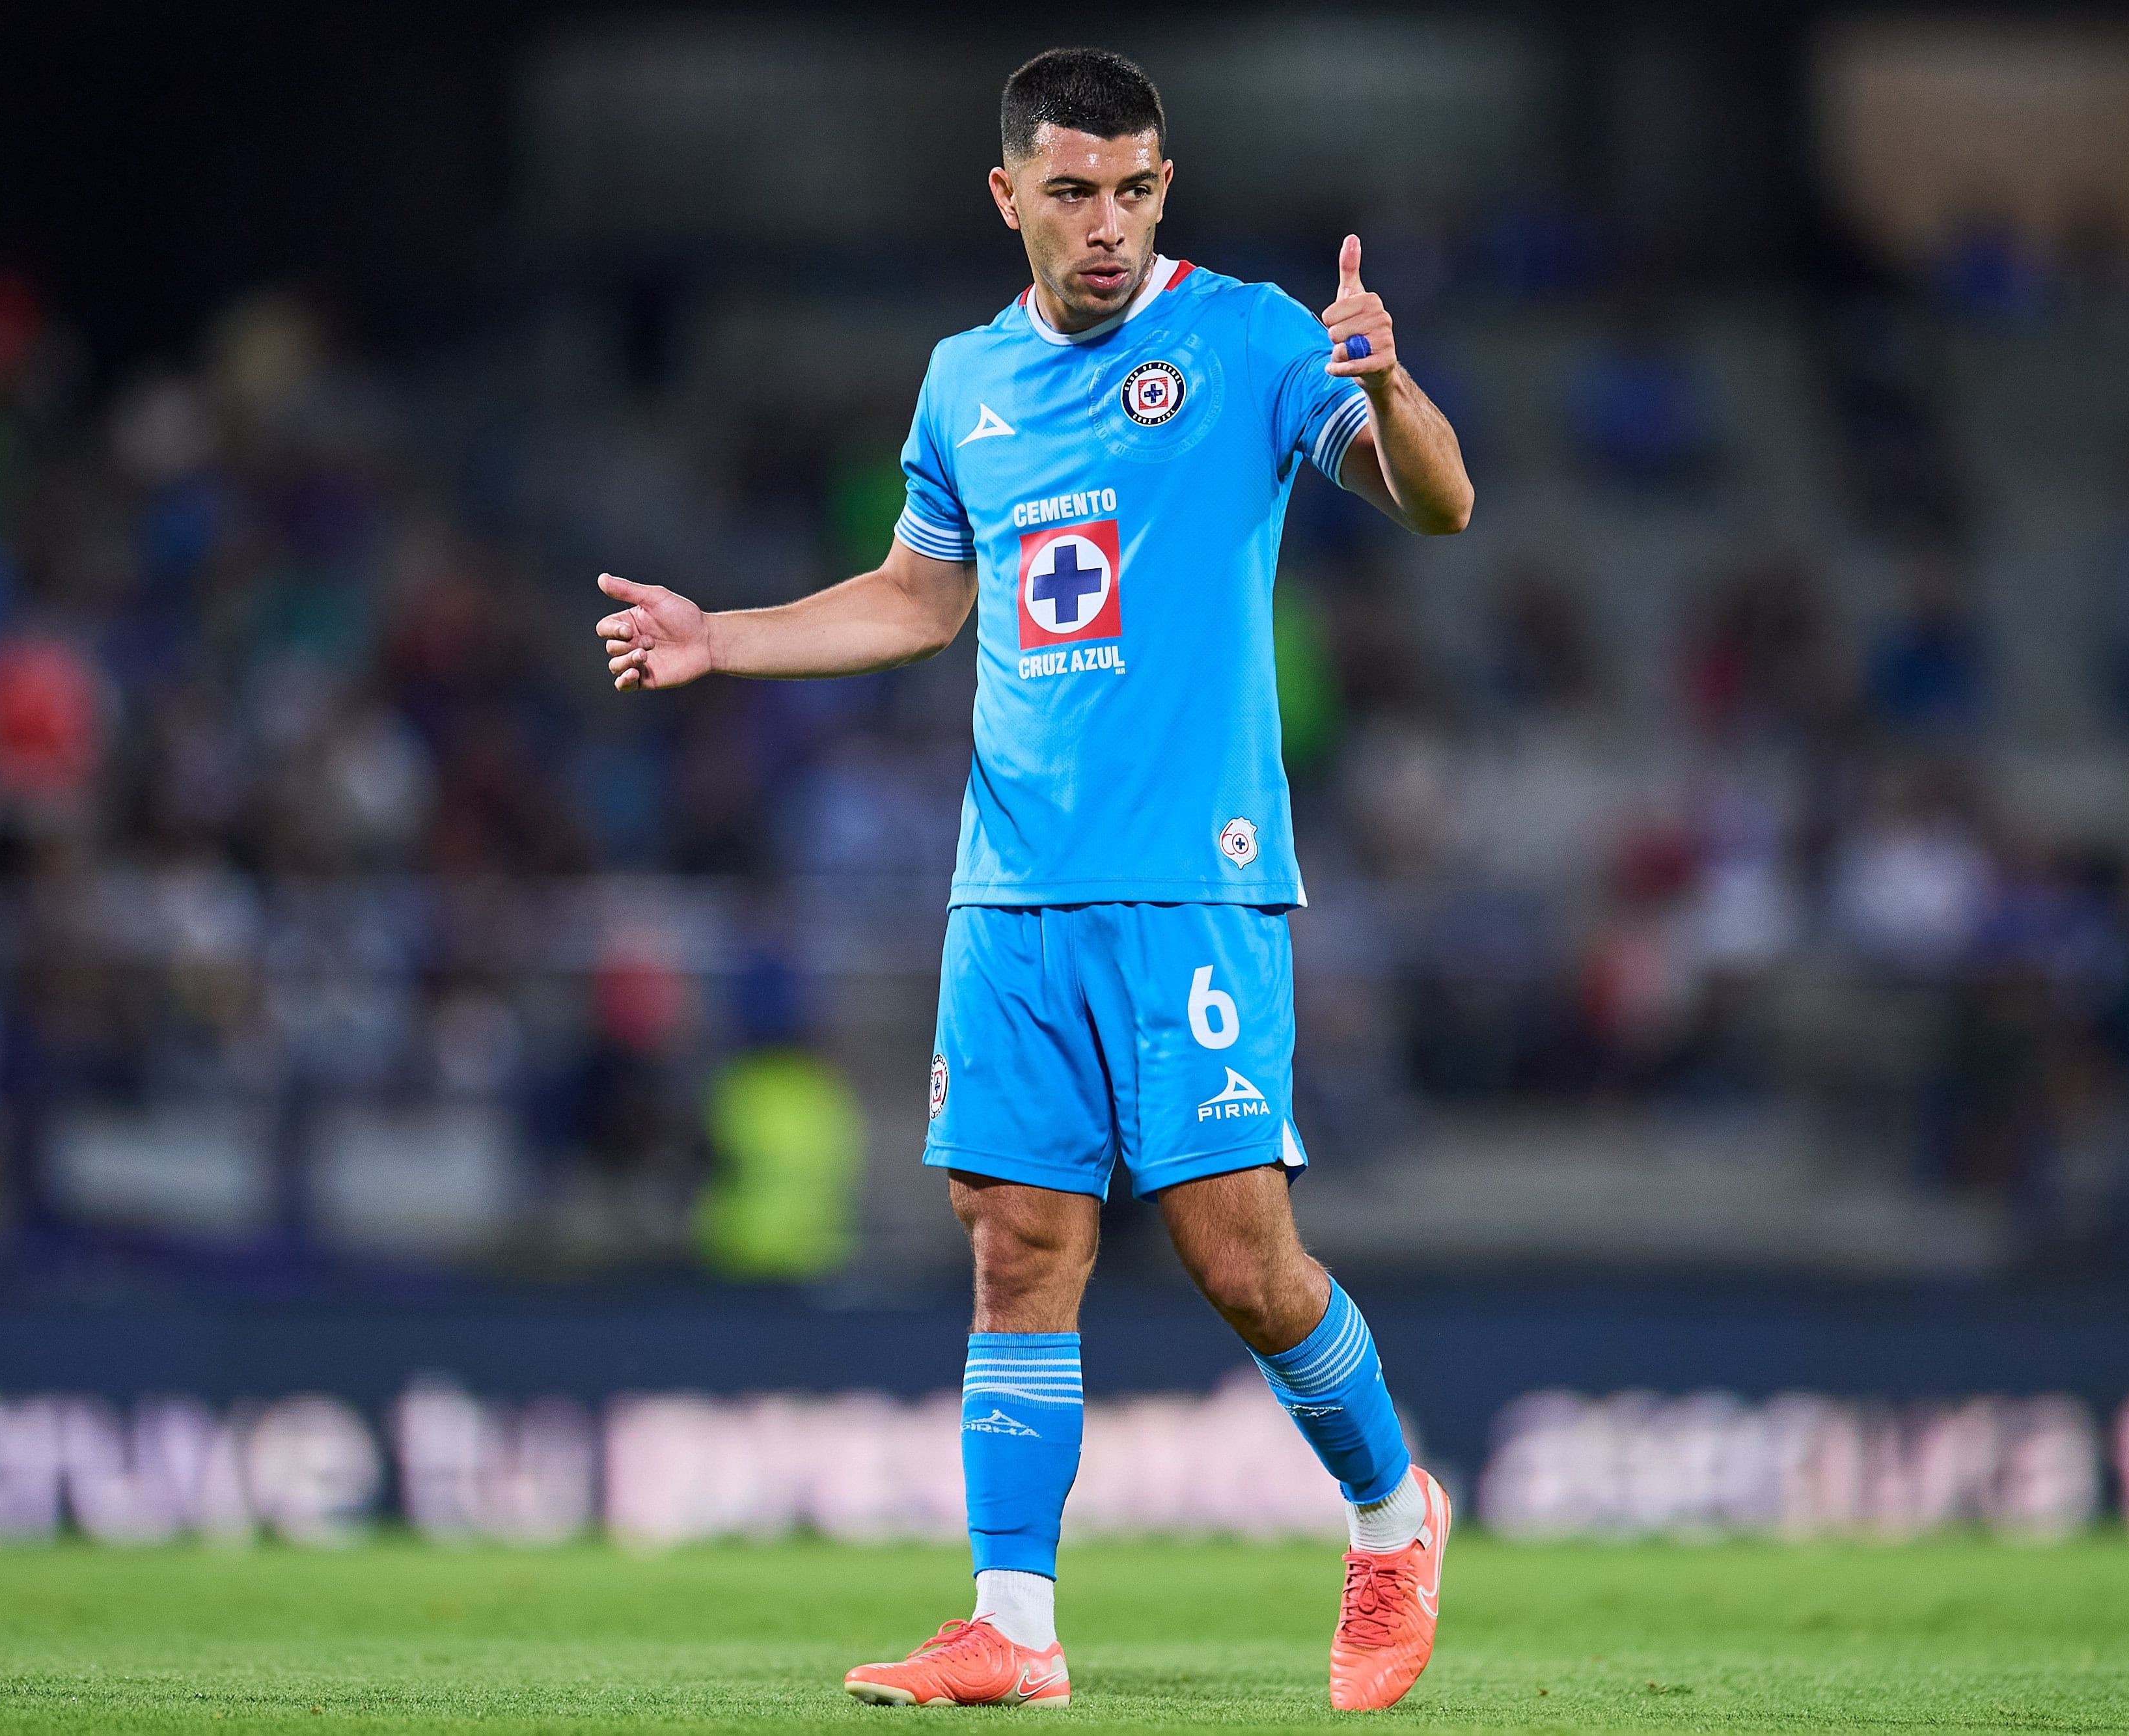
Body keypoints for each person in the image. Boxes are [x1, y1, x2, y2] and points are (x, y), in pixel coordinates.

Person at [592, 48, 1473, 1713]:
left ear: (1163, 187)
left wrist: (1394, 384)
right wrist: (723, 639)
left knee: (1236, 1253)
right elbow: (916, 599)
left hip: (1194, 884)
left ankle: (1387, 1513)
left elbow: (1437, 502)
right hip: (1008, 892)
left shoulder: (1249, 338)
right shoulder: (963, 384)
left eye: (1134, 190)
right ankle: (1013, 1621)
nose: (1107, 224)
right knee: (1014, 1243)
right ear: (1009, 196)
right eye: (1072, 192)